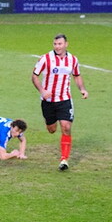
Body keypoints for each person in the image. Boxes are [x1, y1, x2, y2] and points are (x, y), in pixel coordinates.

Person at [31, 34, 88, 171]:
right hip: (48, 101)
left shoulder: (73, 59)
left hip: (64, 99)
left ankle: (64, 159)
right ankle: (51, 123)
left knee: (66, 127)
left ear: (66, 44)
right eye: (55, 44)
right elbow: (34, 76)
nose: (57, 46)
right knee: (52, 129)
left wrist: (82, 89)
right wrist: (42, 91)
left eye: (60, 44)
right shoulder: (45, 59)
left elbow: (77, 75)